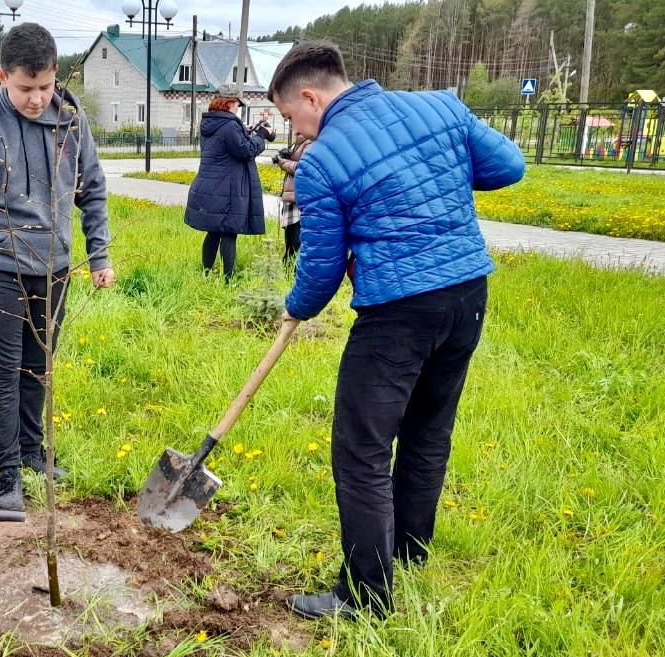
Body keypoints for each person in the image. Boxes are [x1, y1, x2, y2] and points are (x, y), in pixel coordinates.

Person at [267, 41, 525, 619]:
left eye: (291, 118)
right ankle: (407, 551)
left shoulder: (325, 161)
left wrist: (295, 307)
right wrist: (434, 182)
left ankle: (364, 595)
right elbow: (509, 165)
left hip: (397, 314)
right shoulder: (441, 107)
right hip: (466, 296)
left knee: (360, 448)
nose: (296, 132)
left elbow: (322, 267)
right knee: (428, 429)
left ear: (311, 96)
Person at [0, 23, 114, 512]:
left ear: (55, 76)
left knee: (37, 369)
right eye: (25, 88)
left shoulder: (72, 121)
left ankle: (32, 451)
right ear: (2, 75)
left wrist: (99, 255)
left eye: (45, 86)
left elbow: (91, 188)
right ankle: (5, 473)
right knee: (3, 373)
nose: (36, 99)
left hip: (53, 267)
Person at [184, 86, 275, 283]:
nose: (238, 108)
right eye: (237, 104)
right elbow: (245, 151)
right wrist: (261, 135)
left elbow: (228, 144)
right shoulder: (229, 126)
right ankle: (228, 280)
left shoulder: (210, 123)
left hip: (210, 186)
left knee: (214, 231)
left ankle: (206, 274)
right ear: (230, 103)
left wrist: (245, 130)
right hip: (227, 188)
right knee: (229, 232)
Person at [274, 133, 312, 263]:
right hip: (292, 197)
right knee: (289, 237)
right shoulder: (301, 141)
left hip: (300, 197)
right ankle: (288, 270)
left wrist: (282, 162)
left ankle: (298, 271)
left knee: (297, 239)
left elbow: (303, 168)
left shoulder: (310, 141)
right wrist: (289, 155)